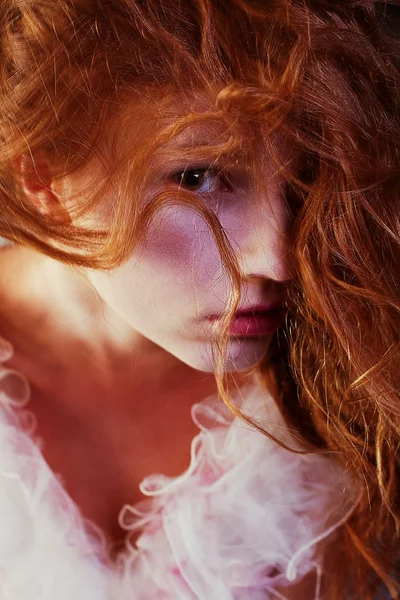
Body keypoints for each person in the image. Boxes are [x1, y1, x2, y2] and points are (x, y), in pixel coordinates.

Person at [0, 1, 398, 598]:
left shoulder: (360, 380)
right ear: (45, 178)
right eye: (199, 177)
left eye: (303, 182)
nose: (280, 261)